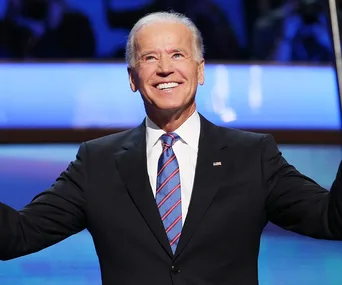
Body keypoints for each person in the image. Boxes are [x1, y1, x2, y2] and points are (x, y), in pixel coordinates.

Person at [1, 11, 342, 285]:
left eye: (177, 54)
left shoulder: (253, 155)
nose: (165, 68)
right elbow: (16, 236)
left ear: (200, 70)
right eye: (149, 57)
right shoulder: (97, 162)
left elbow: (331, 219)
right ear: (132, 78)